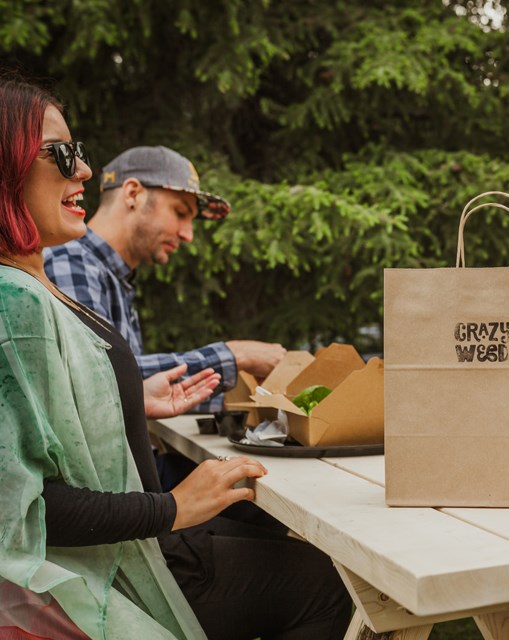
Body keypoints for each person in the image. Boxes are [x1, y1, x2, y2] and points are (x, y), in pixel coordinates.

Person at [0, 75, 351, 639]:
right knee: (325, 585)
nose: (83, 170)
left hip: (135, 542)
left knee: (286, 543)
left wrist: (132, 398)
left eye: (81, 154)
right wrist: (172, 508)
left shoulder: (42, 276)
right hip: (117, 563)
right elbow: (25, 501)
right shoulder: (23, 292)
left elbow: (48, 417)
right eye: (62, 153)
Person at [44, 144, 286, 414]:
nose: (188, 235)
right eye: (180, 213)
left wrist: (243, 401)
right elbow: (99, 375)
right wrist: (236, 355)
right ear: (133, 194)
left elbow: (141, 391)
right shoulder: (72, 261)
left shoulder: (112, 276)